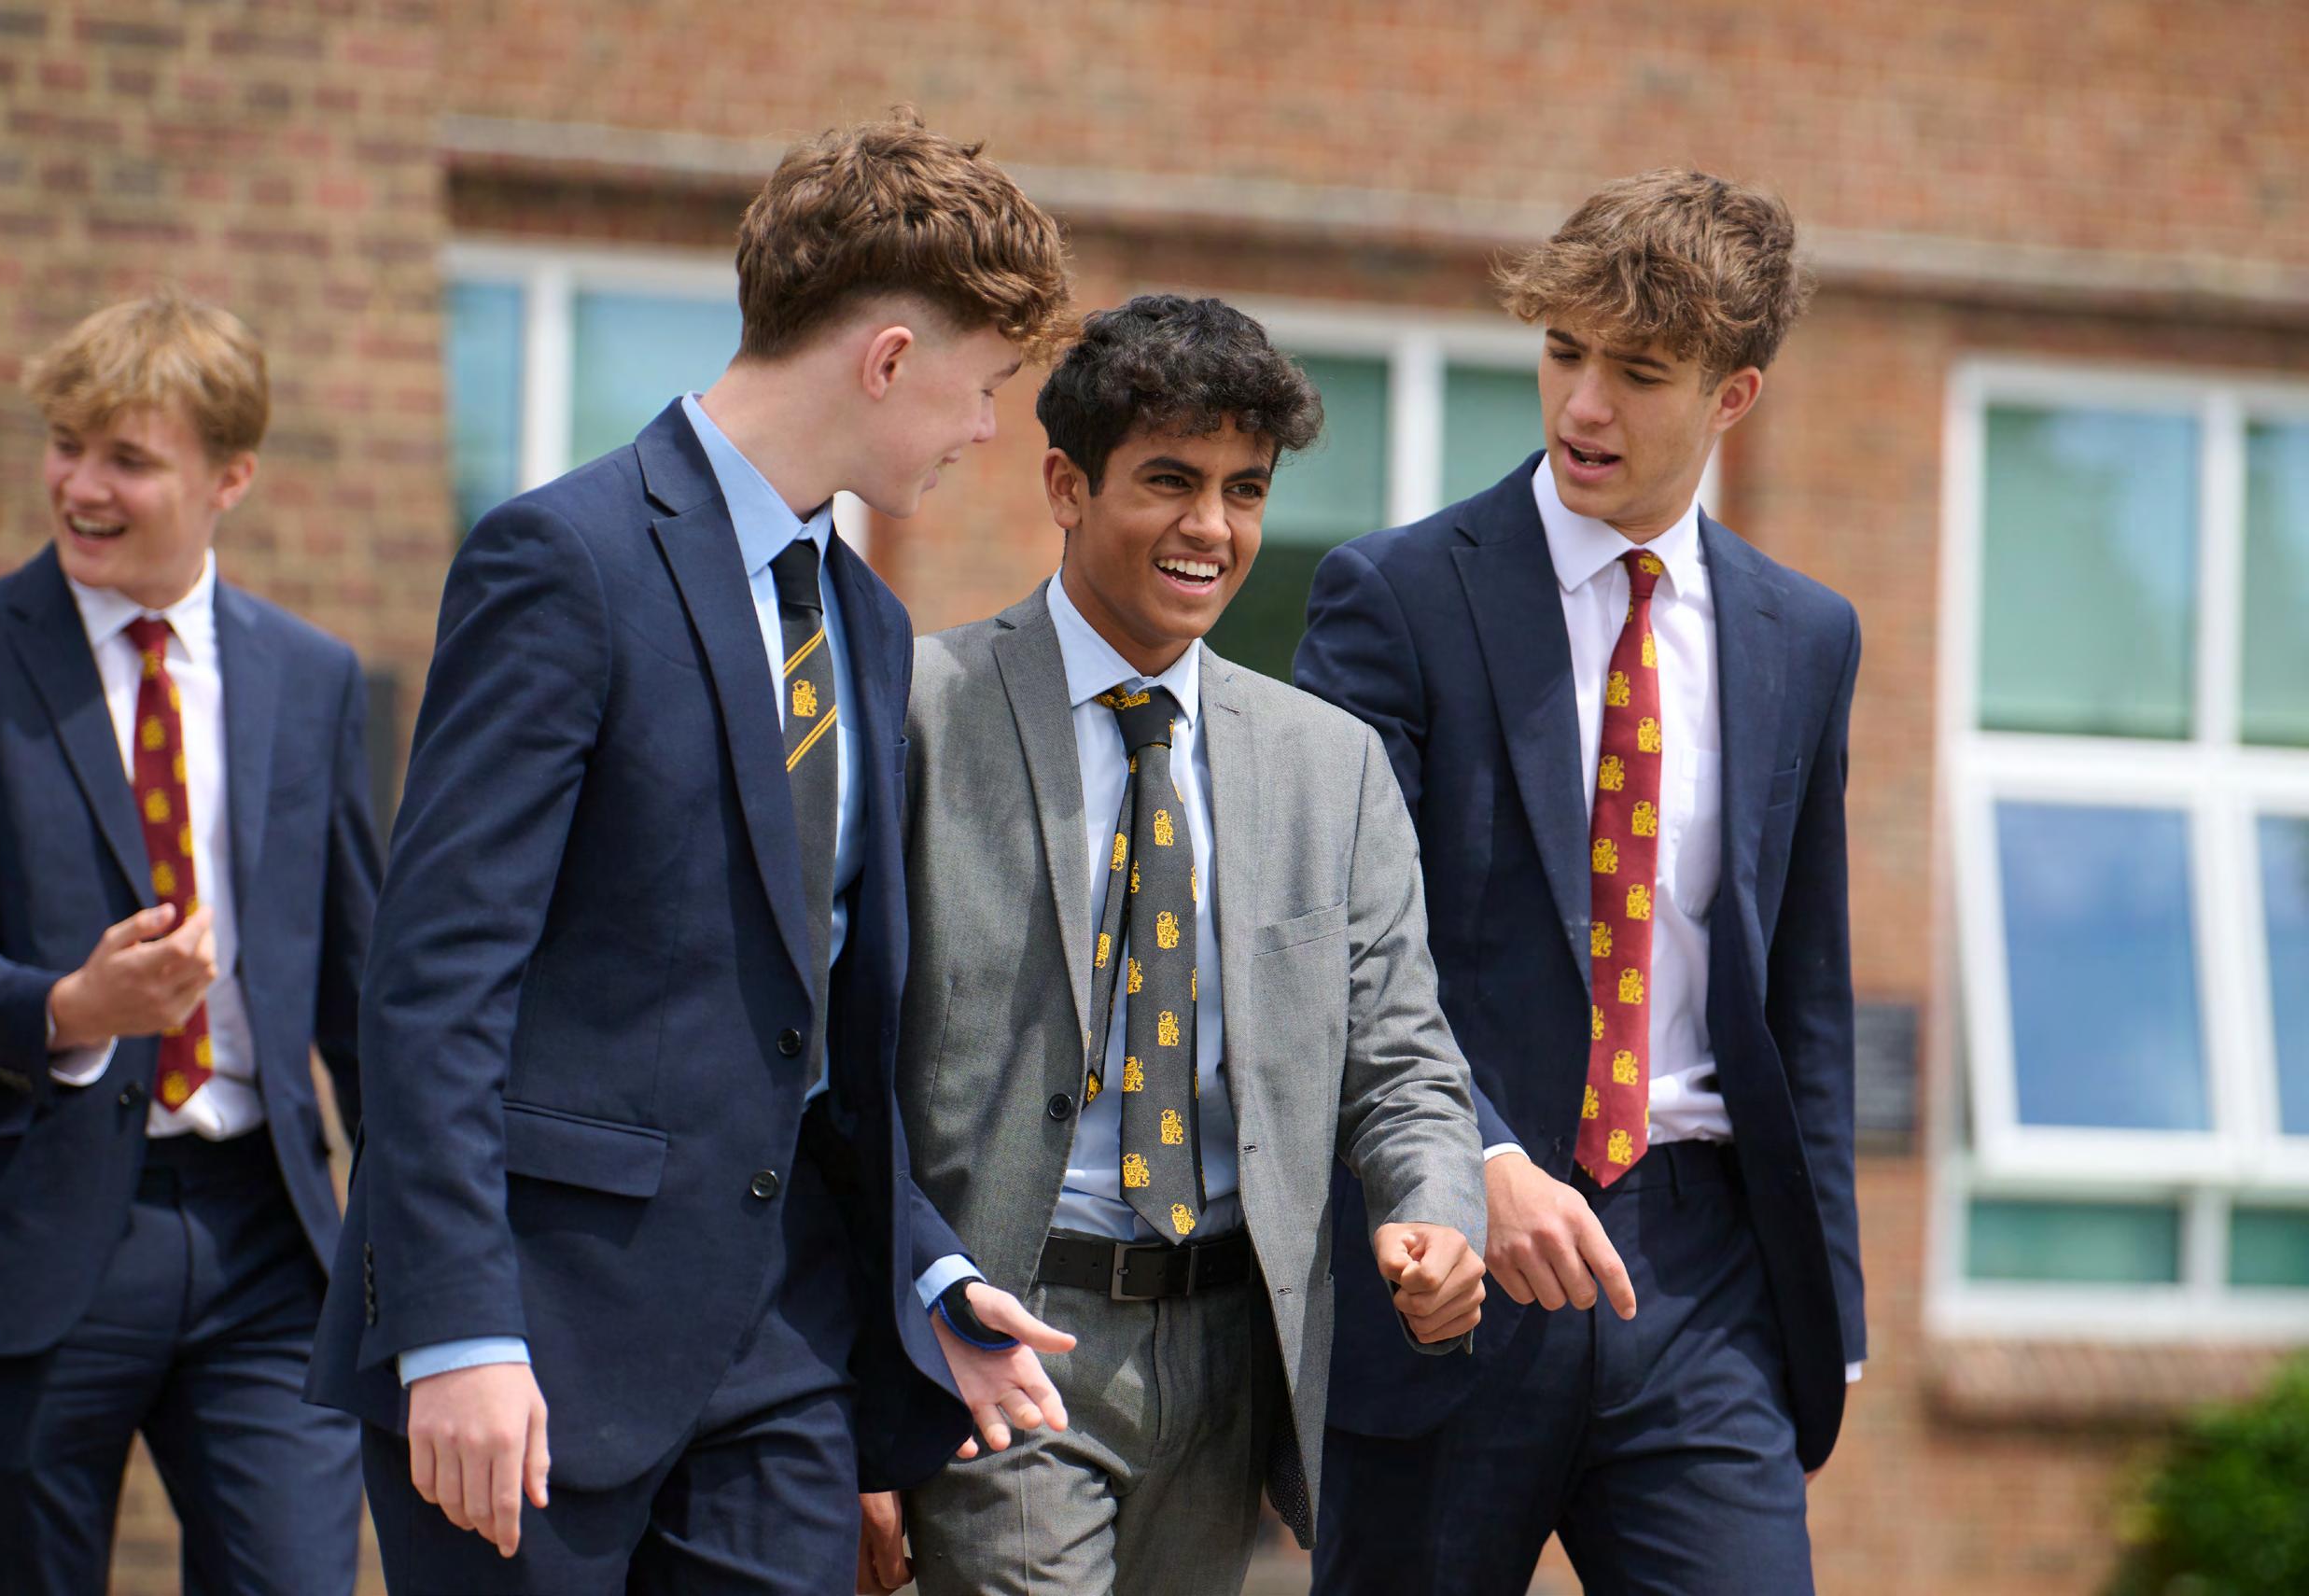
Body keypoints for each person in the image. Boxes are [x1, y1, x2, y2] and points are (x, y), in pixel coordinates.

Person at [306, 112, 1078, 1594]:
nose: (986, 430)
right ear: (889, 358)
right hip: (534, 1343)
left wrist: (925, 1265)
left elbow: (813, 1023)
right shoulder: (563, 560)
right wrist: (458, 1326)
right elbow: (435, 982)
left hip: (782, 1352)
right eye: (984, 387)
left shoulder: (865, 622)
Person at [1294, 170, 1866, 1594]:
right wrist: (1474, 1158)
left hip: (1704, 1279)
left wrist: (1829, 1309)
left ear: (1733, 395)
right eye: (1563, 353)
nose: (1582, 406)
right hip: (1449, 1266)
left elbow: (1805, 988)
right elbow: (1337, 940)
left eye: (1639, 373)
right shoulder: (1394, 597)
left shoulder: (1803, 636)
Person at [873, 294, 1489, 1596]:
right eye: (1169, 480)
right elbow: (833, 1074)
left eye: (1243, 490)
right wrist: (864, 1383)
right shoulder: (919, 715)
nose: (1212, 526)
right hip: (1005, 1339)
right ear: (1065, 484)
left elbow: (1403, 1060)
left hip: (1231, 1357)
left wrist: (1434, 1211)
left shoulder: (1331, 768)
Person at [0, 289, 379, 1594]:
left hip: (269, 1236)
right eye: (66, 446)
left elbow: (361, 990)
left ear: (231, 478)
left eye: (128, 459)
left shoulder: (311, 676)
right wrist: (71, 1008)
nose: (80, 486)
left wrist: (426, 1237)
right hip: (35, 1233)